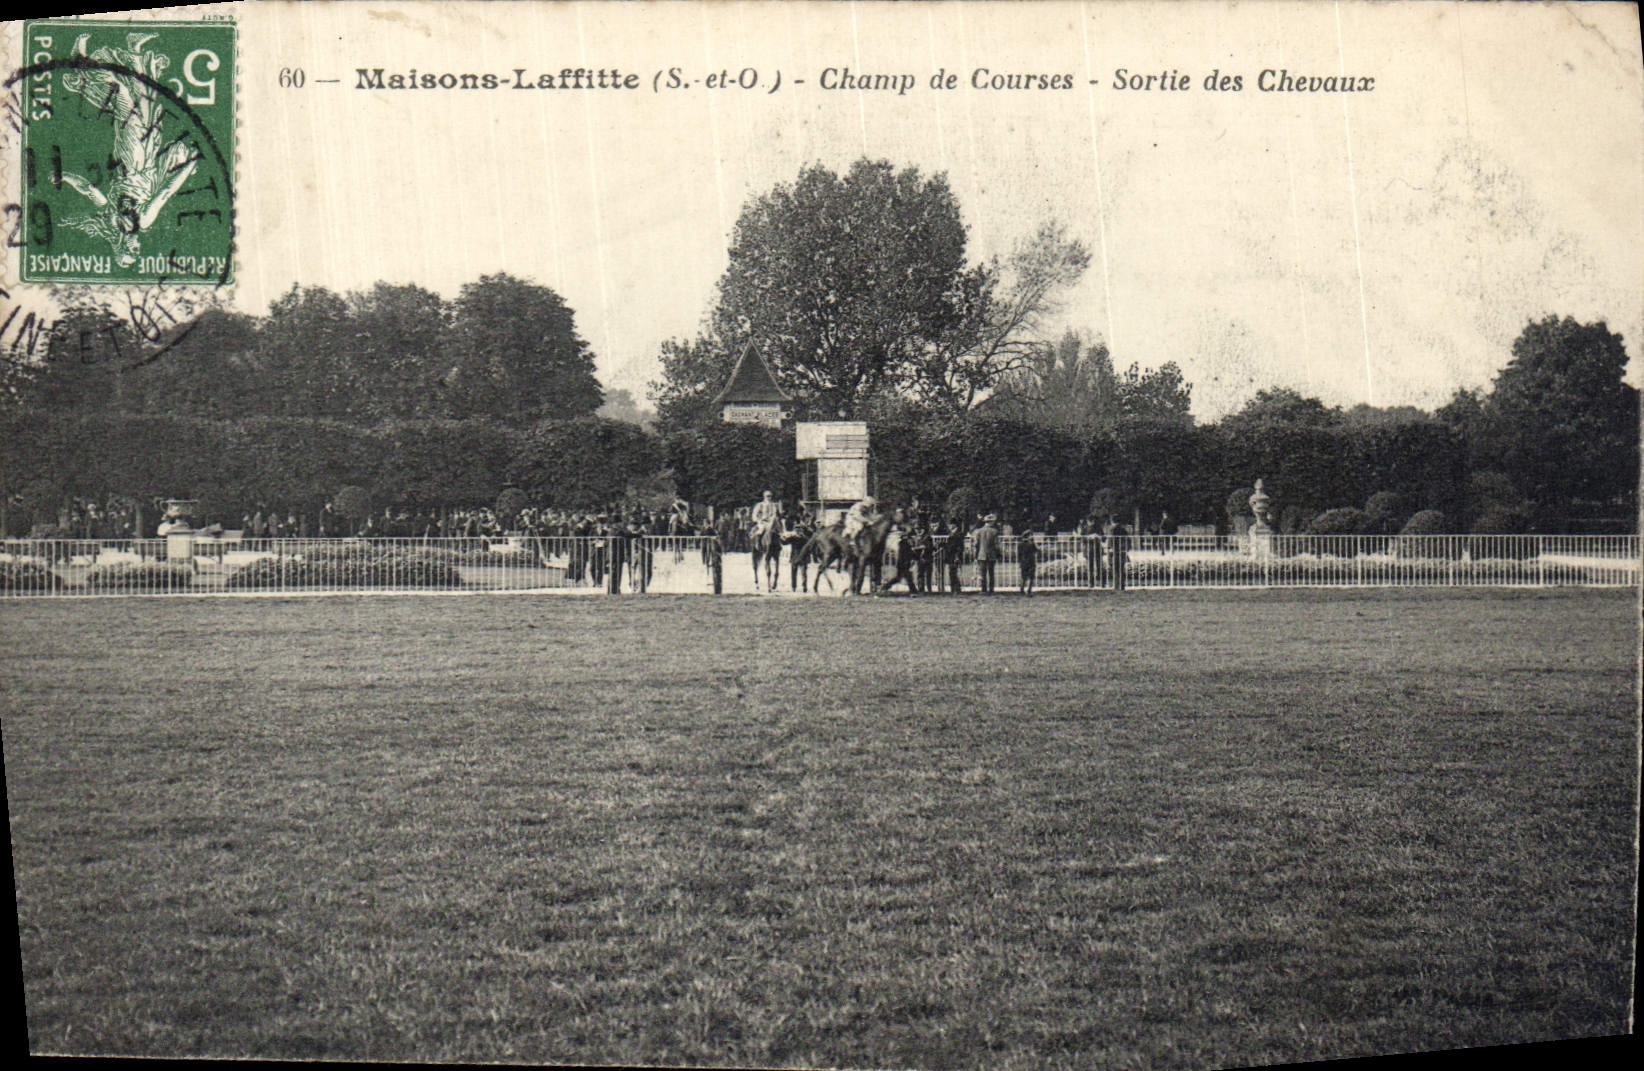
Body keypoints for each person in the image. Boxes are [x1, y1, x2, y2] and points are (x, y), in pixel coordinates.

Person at [974, 513, 1000, 594]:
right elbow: (996, 544)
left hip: (981, 554)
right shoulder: (995, 531)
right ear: (991, 522)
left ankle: (983, 589)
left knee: (982, 573)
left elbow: (976, 544)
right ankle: (991, 589)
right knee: (991, 573)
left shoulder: (979, 531)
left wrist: (976, 554)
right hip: (991, 554)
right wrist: (998, 553)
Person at [1017, 528, 1039, 595]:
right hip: (1031, 561)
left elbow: (1019, 554)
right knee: (1031, 576)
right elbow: (1037, 550)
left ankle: (1022, 589)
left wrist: (1020, 562)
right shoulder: (1031, 544)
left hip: (1023, 561)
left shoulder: (1020, 544)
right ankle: (1029, 590)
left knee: (1024, 576)